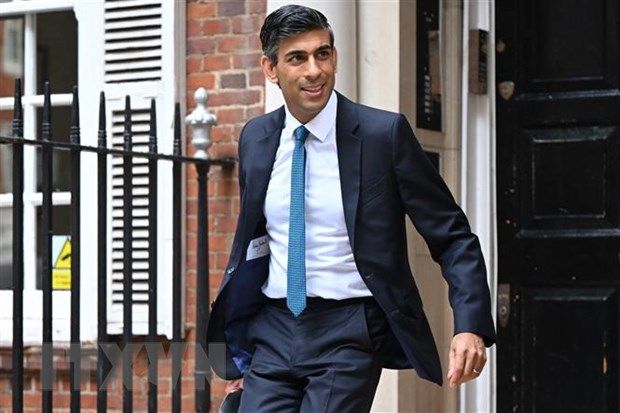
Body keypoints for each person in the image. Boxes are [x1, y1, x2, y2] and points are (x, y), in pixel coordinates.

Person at [206, 4, 496, 412]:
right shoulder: (256, 138)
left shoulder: (382, 135)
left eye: (322, 54)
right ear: (271, 69)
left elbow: (452, 236)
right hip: (272, 330)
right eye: (297, 58)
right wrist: (243, 353)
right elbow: (256, 242)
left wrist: (471, 326)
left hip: (349, 330)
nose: (314, 71)